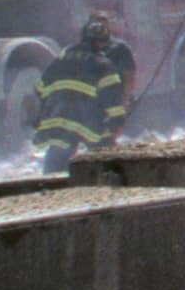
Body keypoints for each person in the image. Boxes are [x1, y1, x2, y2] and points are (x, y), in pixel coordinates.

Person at [31, 14, 131, 172]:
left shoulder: (59, 61)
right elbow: (114, 104)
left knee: (56, 161)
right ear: (103, 44)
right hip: (86, 123)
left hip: (56, 120)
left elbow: (39, 89)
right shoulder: (103, 66)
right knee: (104, 154)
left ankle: (50, 188)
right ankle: (105, 183)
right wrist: (117, 124)